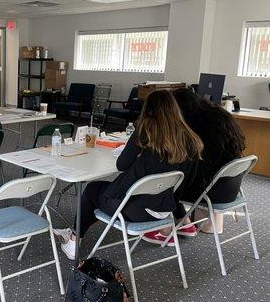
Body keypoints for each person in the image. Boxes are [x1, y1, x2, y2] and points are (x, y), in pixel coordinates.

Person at [54, 90, 203, 259]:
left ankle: (74, 239)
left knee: (92, 190)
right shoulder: (191, 139)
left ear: (148, 109)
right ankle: (74, 230)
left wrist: (139, 155)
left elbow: (122, 164)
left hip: (136, 211)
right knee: (98, 194)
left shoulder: (145, 131)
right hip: (165, 208)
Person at [171, 88, 246, 234]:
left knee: (170, 181)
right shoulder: (221, 115)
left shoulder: (193, 126)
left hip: (209, 191)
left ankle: (182, 219)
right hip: (231, 187)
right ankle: (185, 220)